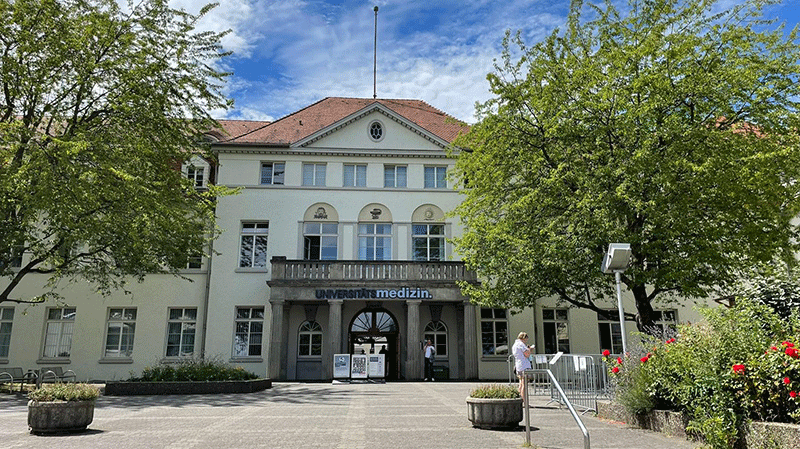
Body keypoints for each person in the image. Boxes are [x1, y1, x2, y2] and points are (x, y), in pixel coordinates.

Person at [512, 332, 535, 396]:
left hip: (518, 365)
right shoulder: (521, 344)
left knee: (521, 383)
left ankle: (521, 399)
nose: (526, 341)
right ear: (523, 338)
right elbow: (527, 354)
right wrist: (530, 349)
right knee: (524, 384)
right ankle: (524, 400)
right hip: (524, 366)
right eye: (526, 339)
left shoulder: (515, 345)